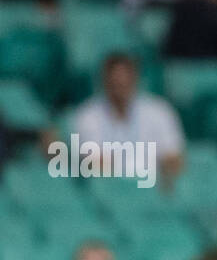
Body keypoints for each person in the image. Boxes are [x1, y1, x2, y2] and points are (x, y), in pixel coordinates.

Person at [71, 53, 186, 182]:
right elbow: (96, 165)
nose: (120, 88)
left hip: (153, 189)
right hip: (109, 190)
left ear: (135, 80)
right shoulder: (86, 115)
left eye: (124, 82)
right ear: (104, 82)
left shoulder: (160, 111)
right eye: (115, 83)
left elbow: (174, 160)